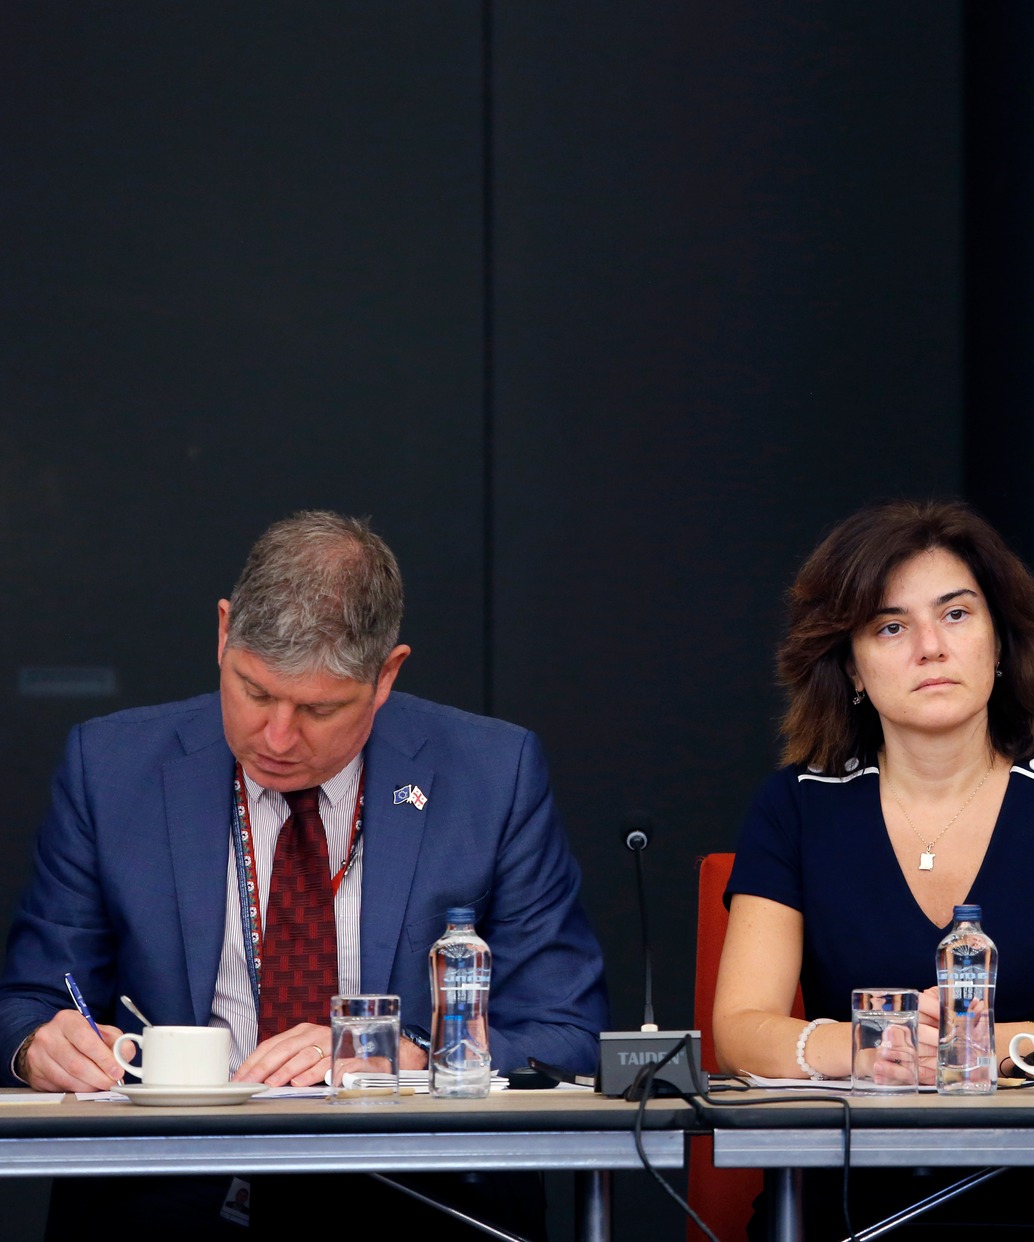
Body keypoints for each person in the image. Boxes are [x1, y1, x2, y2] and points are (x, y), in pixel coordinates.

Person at [0, 511, 608, 1237]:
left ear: (386, 675)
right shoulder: (111, 769)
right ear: (223, 633)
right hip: (172, 1187)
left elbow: (567, 1033)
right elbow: (31, 998)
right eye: (256, 693)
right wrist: (38, 1044)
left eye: (319, 708)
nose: (278, 738)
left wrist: (404, 1054)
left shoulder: (491, 775)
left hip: (417, 1186)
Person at [716, 500, 1034, 1241]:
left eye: (956, 615)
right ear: (852, 667)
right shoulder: (798, 803)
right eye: (890, 627)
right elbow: (738, 1029)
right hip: (849, 1188)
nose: (930, 647)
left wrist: (969, 1050)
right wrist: (874, 1050)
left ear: (999, 641)